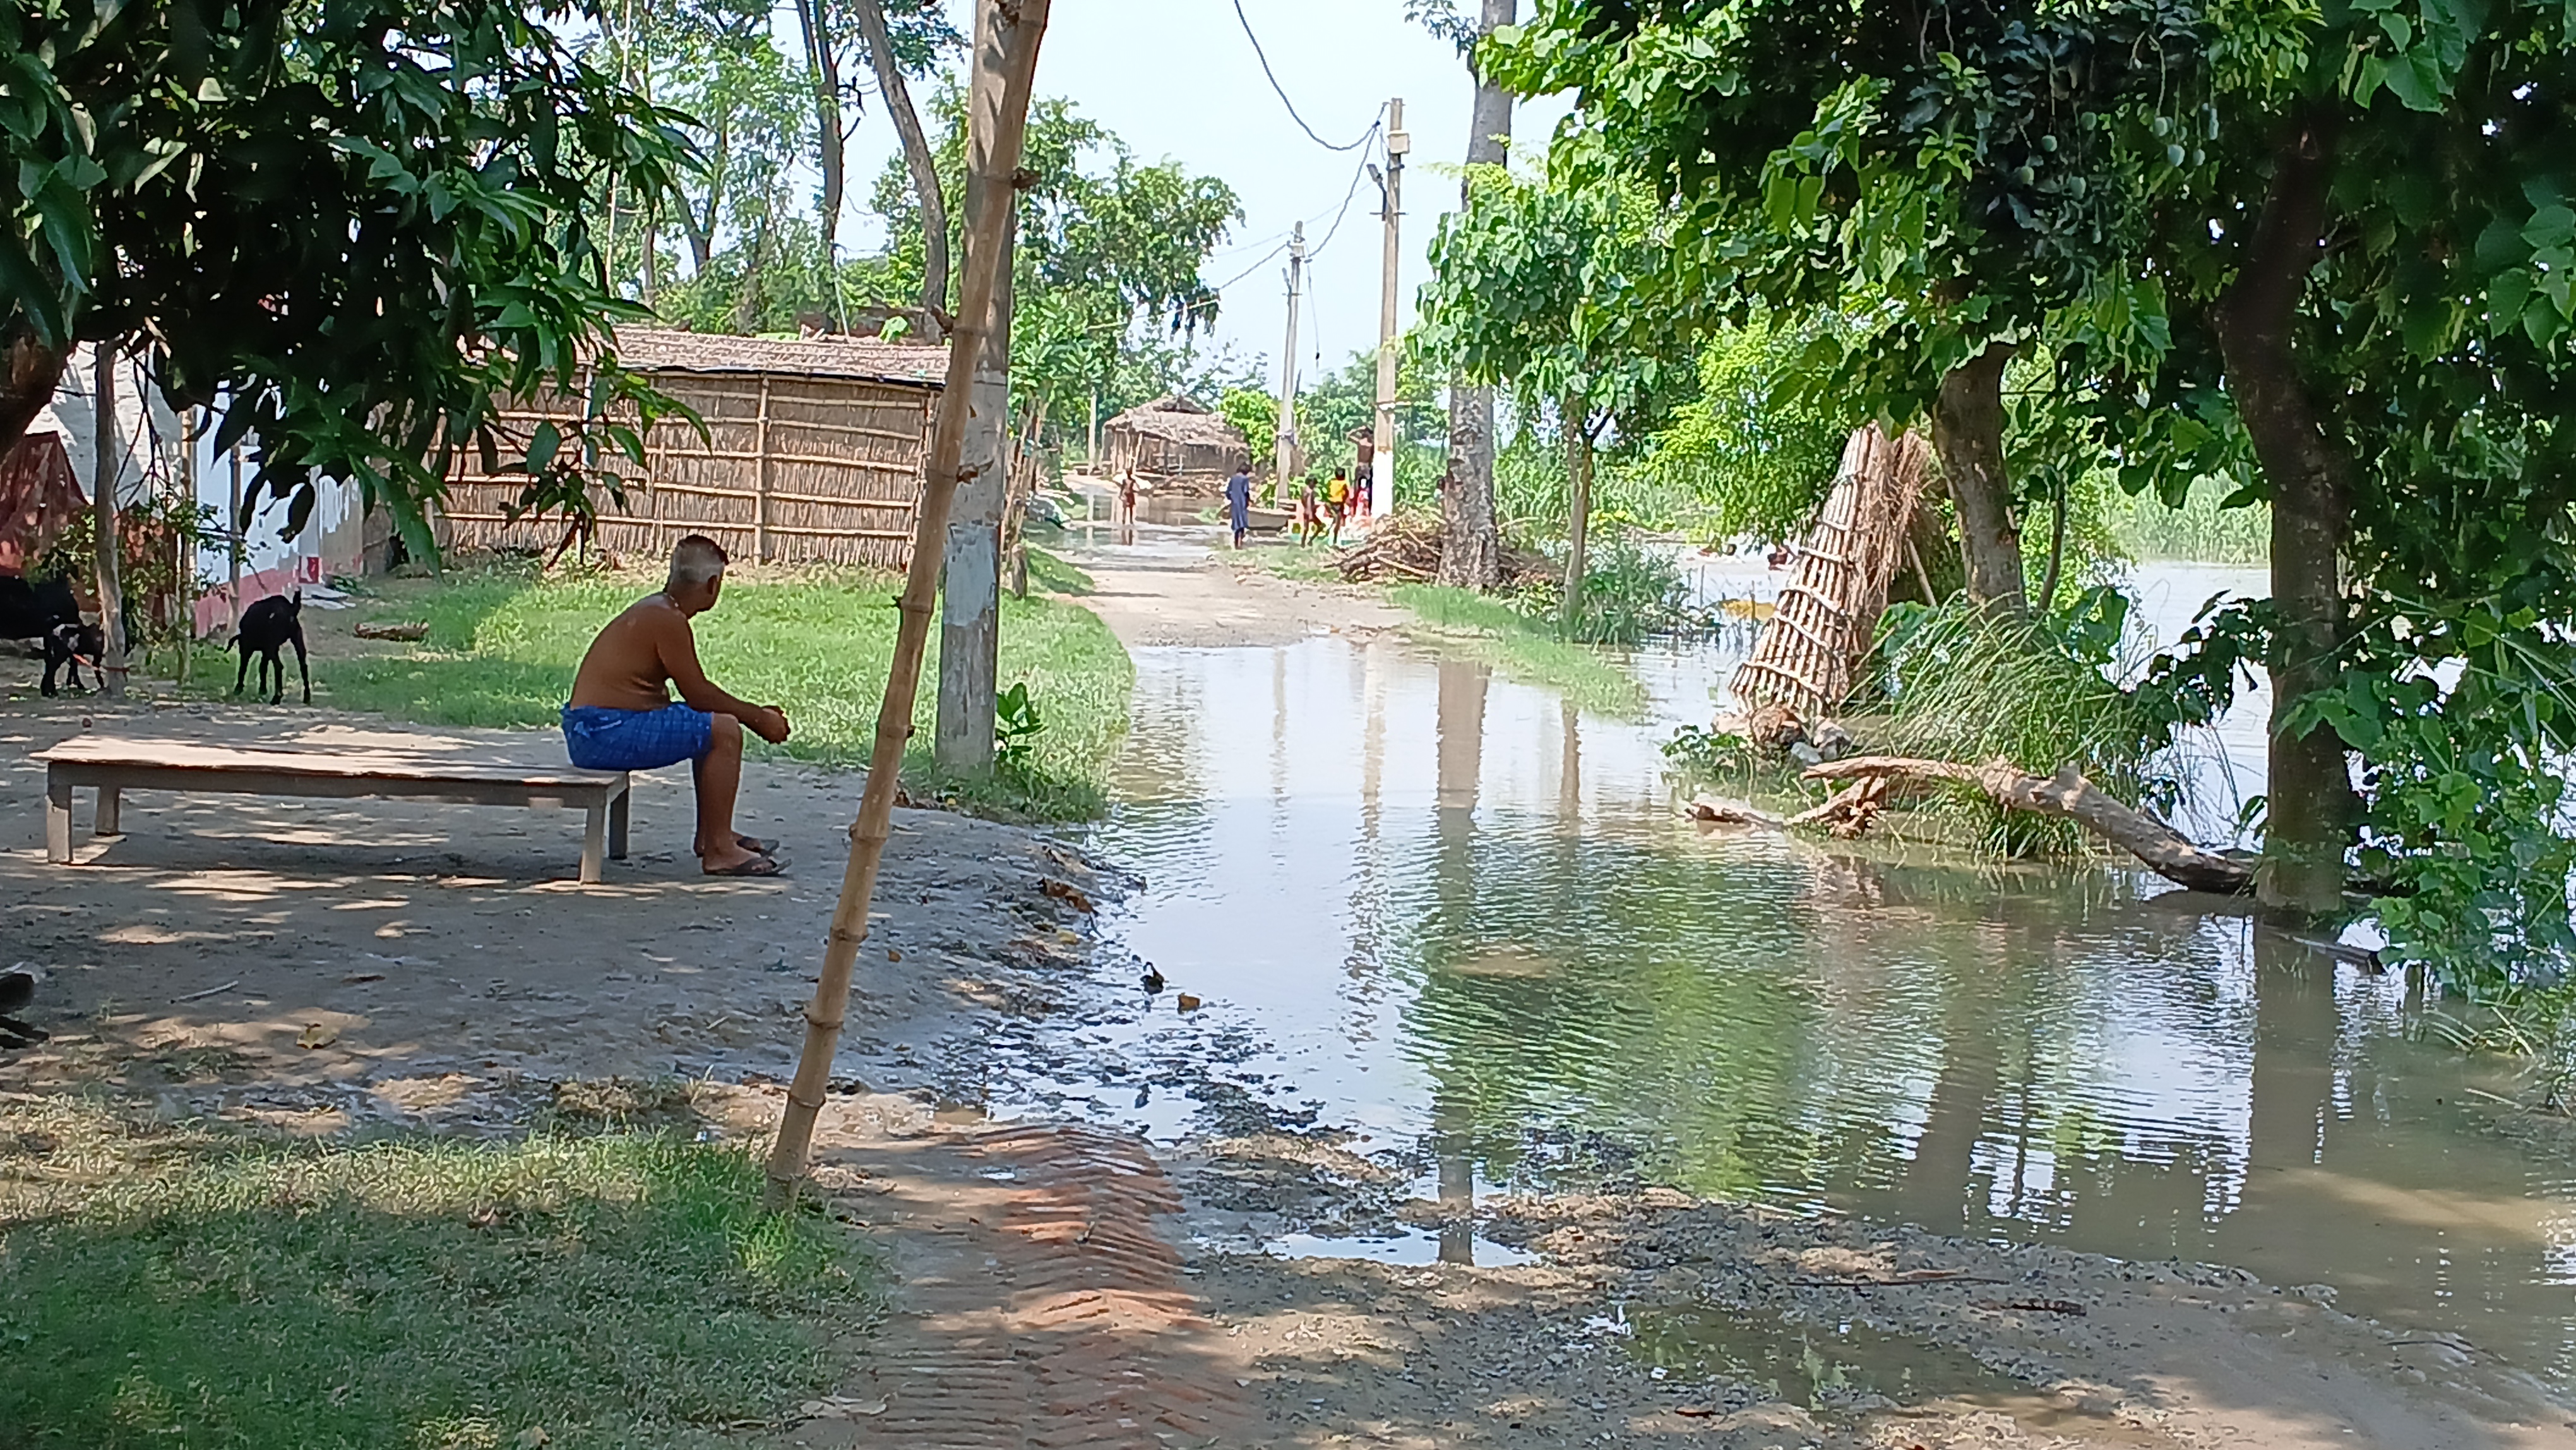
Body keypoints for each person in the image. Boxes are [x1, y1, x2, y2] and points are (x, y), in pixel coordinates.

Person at [562, 535, 793, 877]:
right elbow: (699, 694)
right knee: (722, 729)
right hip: (602, 734)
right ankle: (718, 851)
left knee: (709, 723)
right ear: (713, 584)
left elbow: (697, 699)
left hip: (595, 731)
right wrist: (759, 718)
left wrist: (750, 713)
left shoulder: (659, 609)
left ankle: (713, 835)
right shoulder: (666, 619)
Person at [1225, 465, 1253, 548]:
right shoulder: (1245, 479)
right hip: (1242, 503)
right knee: (1242, 522)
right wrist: (1249, 501)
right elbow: (1246, 492)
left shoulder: (1233, 478)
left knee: (1236, 522)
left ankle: (1237, 542)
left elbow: (1227, 492)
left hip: (1235, 503)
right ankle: (1240, 543)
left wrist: (1231, 498)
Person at [1323, 467, 1351, 546]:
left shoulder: (1331, 482)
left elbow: (1328, 492)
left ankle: (1328, 533)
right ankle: (1334, 539)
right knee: (1338, 522)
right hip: (1339, 504)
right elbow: (1346, 493)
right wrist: (1345, 501)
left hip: (1331, 504)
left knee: (1334, 520)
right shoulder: (1344, 483)